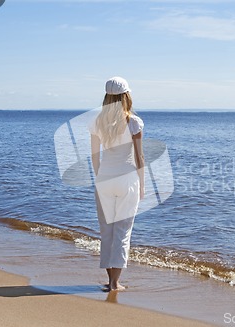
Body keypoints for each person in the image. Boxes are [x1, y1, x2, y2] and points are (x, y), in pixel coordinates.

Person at [89, 77, 145, 292]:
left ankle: (110, 280)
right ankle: (115, 283)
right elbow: (140, 157)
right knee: (123, 232)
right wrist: (142, 185)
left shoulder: (97, 122)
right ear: (126, 96)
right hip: (127, 180)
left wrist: (100, 177)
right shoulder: (133, 122)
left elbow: (95, 157)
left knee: (107, 231)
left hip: (104, 180)